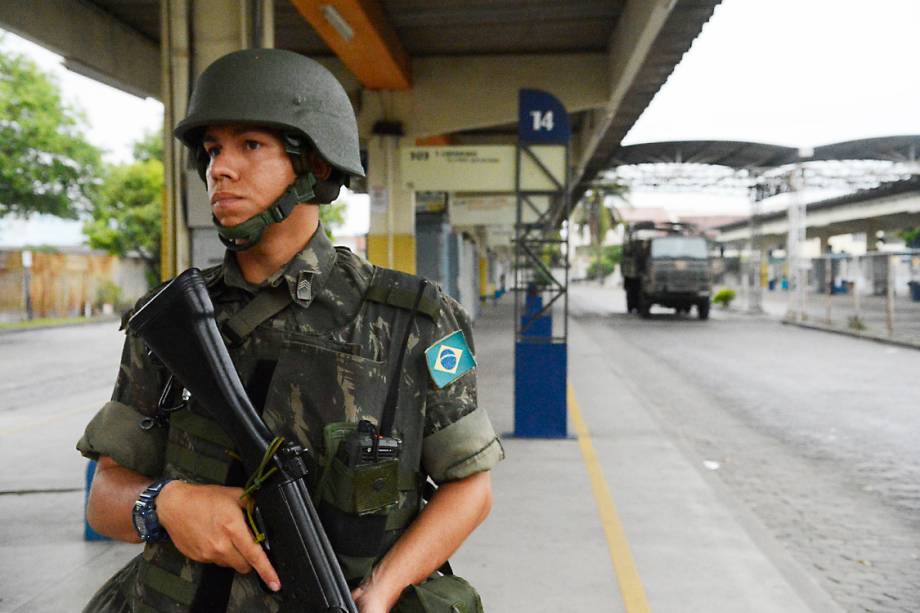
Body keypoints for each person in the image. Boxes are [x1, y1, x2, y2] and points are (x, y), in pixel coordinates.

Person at [78, 48, 503, 613]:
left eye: (250, 145)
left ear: (316, 167)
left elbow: (469, 486)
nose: (220, 168)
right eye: (212, 150)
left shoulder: (412, 322)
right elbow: (106, 496)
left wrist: (383, 591)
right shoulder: (173, 318)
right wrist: (167, 504)